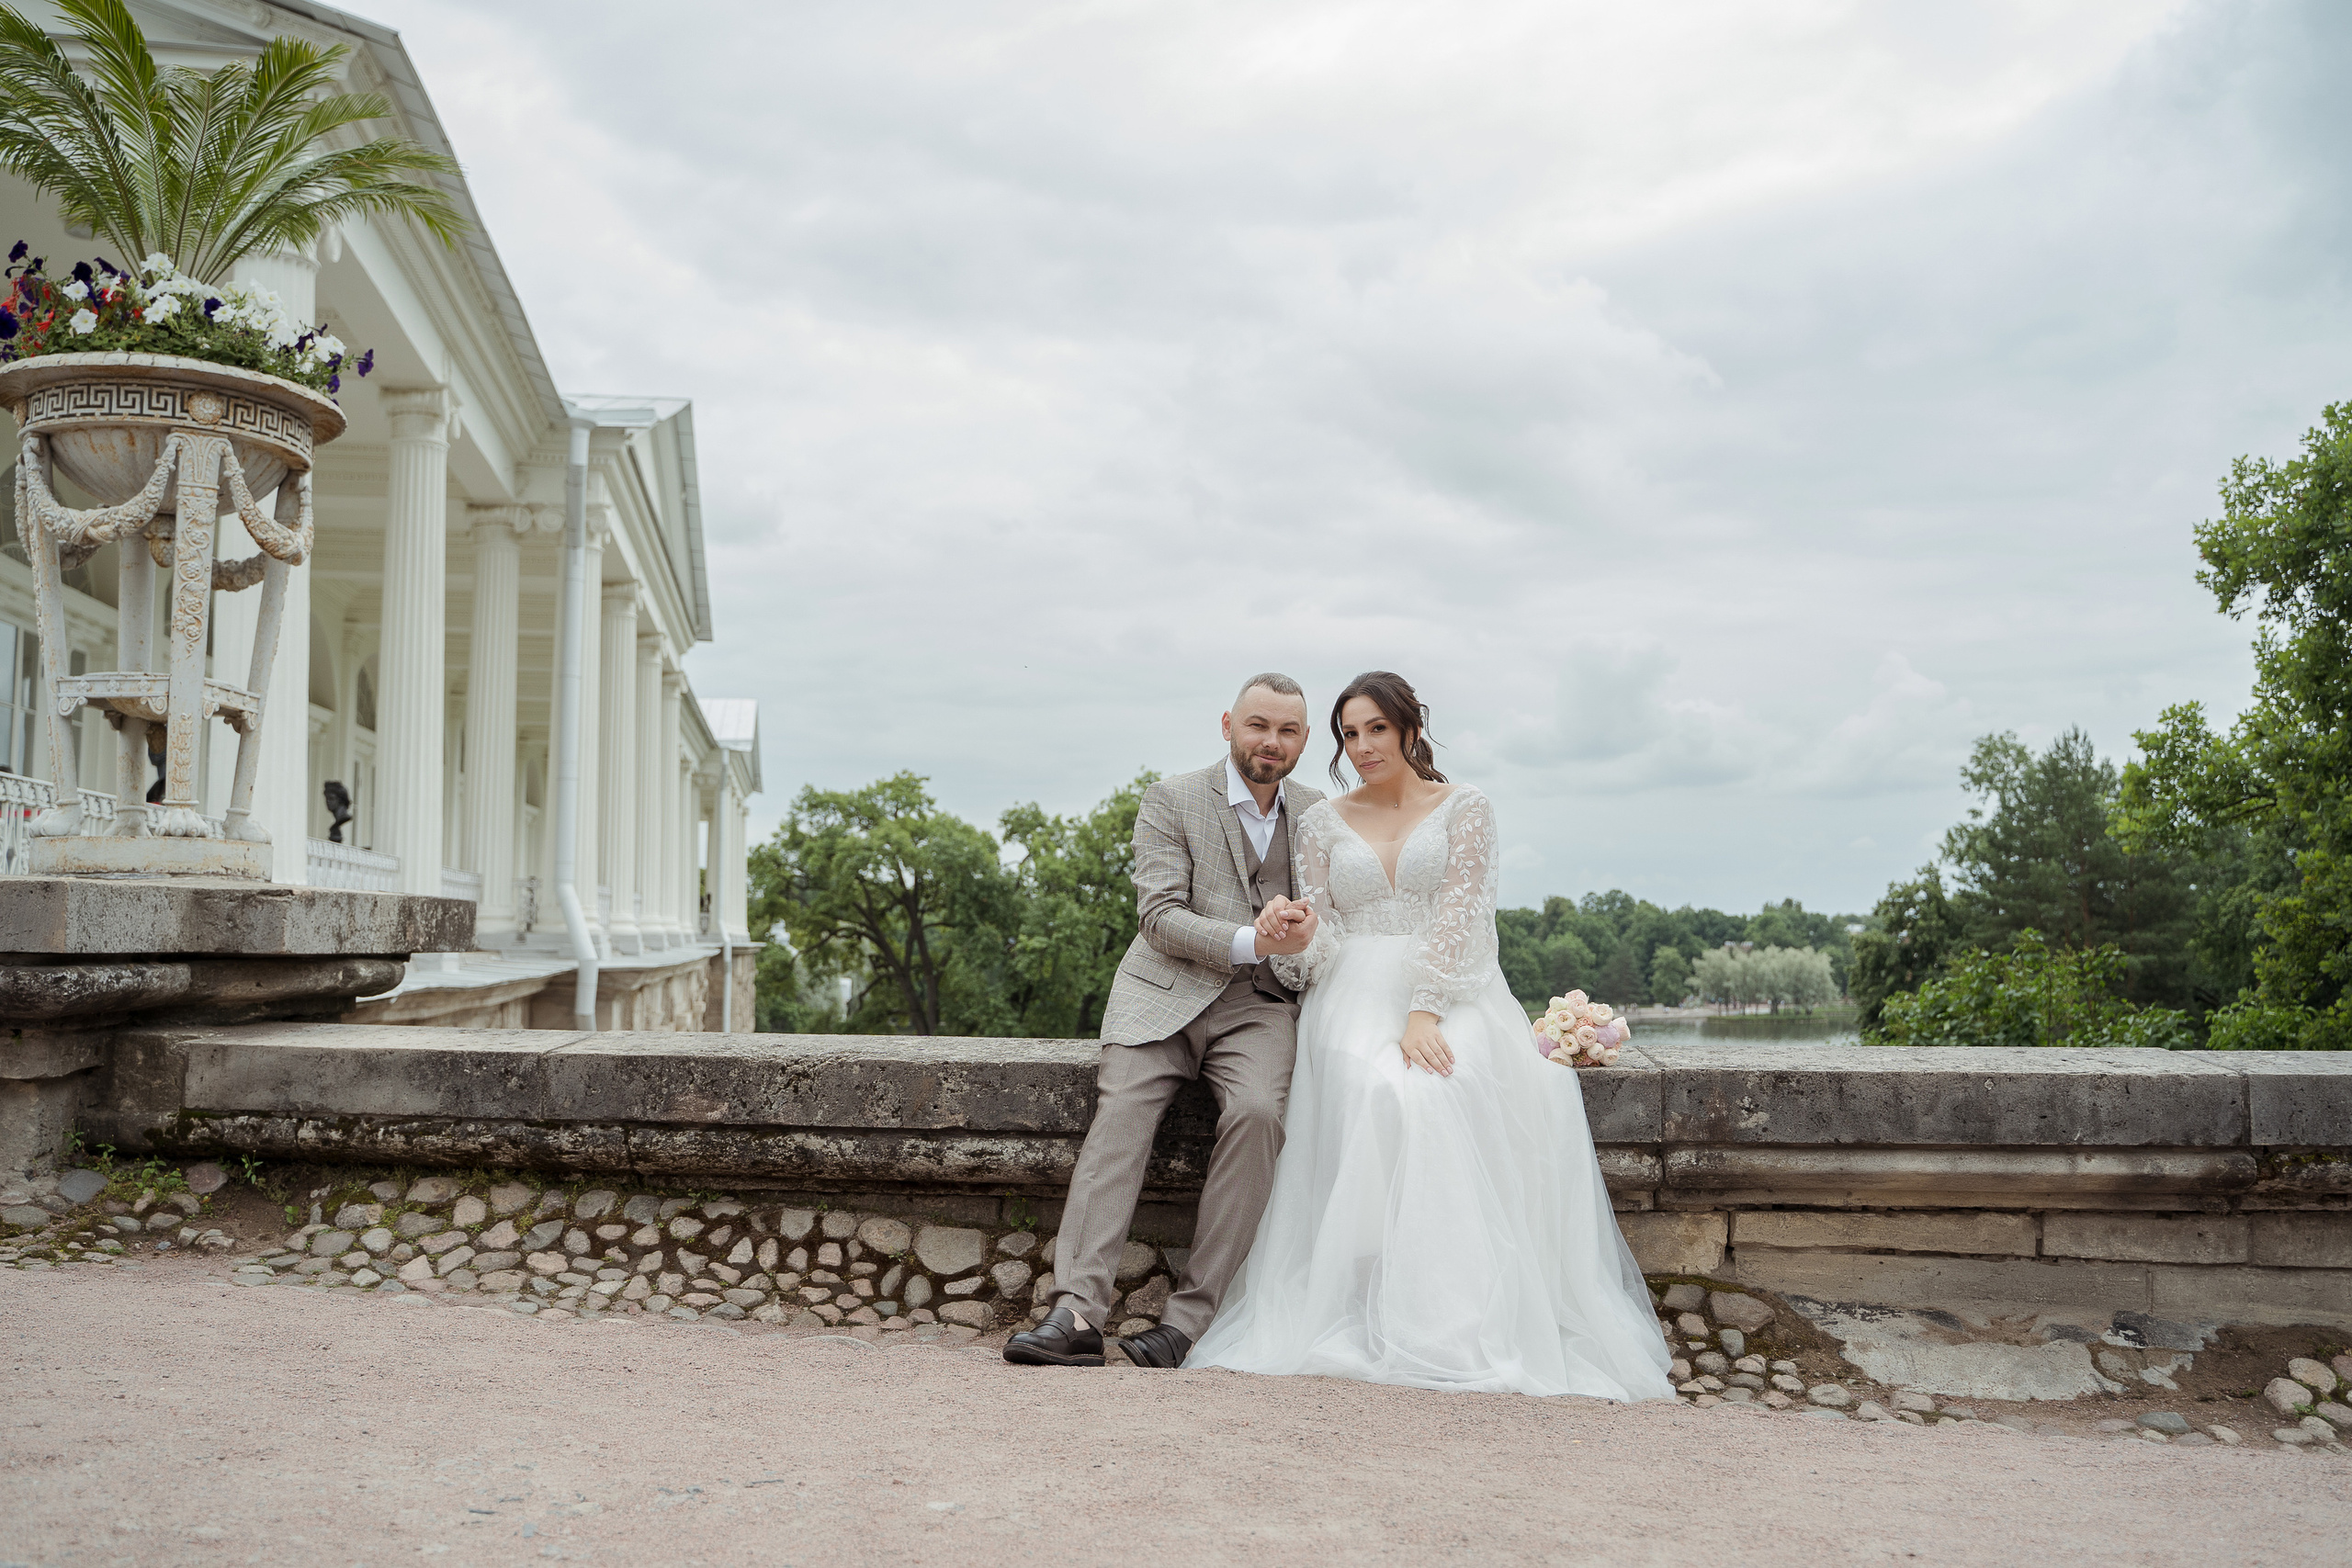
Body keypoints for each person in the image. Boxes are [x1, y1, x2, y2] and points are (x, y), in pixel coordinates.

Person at [1185, 671, 1675, 1399]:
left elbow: (1465, 917)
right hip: (1349, 992)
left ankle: (1456, 1319)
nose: (1362, 746)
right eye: (1350, 733)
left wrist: (1425, 1008)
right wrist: (1297, 940)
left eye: (1376, 729)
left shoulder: (1465, 808)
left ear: (1411, 730)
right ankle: (1369, 1303)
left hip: (1453, 988)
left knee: (1451, 1086)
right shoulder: (1322, 820)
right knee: (1381, 1087)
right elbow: (1322, 941)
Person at [1003, 674, 1326, 1370]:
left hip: (1259, 1008)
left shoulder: (1318, 813)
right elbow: (1159, 916)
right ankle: (1077, 1312)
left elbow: (1326, 923)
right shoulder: (1171, 799)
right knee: (1120, 1115)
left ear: (1304, 740)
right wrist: (1252, 939)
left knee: (1259, 1117)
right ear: (1227, 725)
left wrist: (1297, 939)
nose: (1271, 741)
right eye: (1258, 725)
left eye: (1288, 730)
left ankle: (1189, 1322)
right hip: (1161, 996)